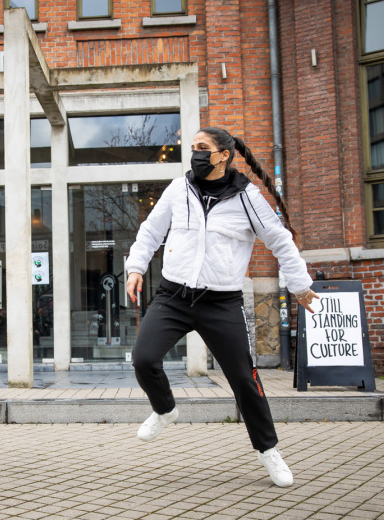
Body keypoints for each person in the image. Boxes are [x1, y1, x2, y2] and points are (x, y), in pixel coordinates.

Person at [125, 126, 319, 488]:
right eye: (193, 147)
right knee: (143, 359)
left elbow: (280, 241)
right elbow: (150, 231)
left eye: (202, 148)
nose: (195, 154)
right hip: (173, 297)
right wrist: (136, 267)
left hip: (222, 303)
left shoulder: (248, 198)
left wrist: (300, 285)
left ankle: (268, 451)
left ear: (223, 155)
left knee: (245, 380)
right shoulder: (178, 189)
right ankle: (165, 410)